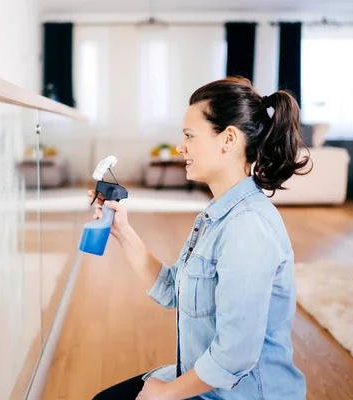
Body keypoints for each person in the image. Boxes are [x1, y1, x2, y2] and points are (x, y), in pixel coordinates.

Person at [89, 77, 312, 400]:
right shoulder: (214, 216)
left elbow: (234, 356)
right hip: (207, 384)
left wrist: (164, 394)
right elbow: (171, 290)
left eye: (190, 136)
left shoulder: (248, 229)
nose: (181, 147)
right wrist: (123, 231)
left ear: (228, 139)